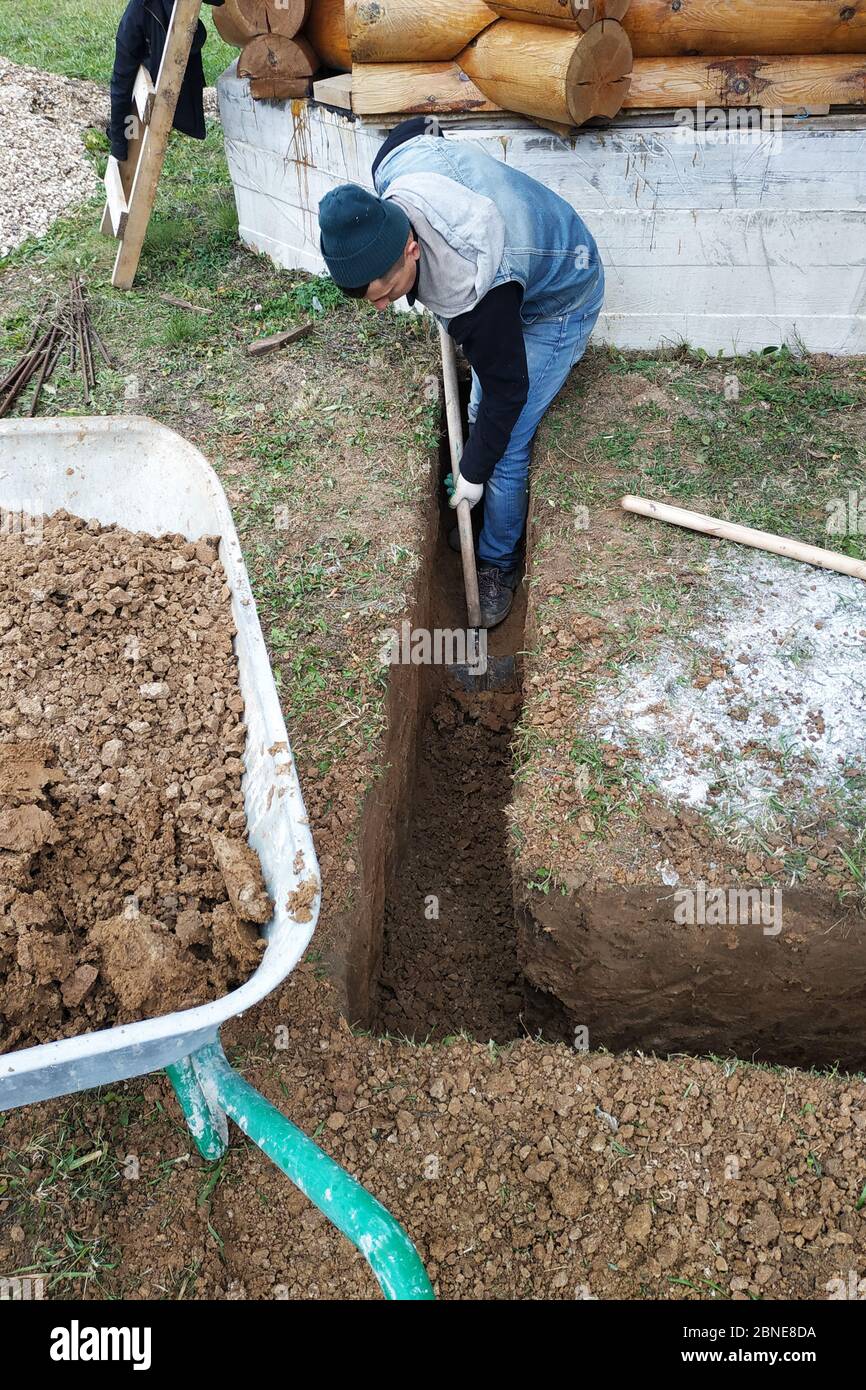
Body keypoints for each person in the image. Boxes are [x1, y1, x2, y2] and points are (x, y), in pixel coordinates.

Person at [318, 116, 604, 628]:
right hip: (513, 267)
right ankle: (479, 517)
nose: (382, 307)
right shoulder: (394, 173)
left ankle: (496, 561)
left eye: (385, 294)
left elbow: (507, 391)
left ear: (411, 247)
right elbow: (414, 130)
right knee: (478, 412)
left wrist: (471, 474)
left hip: (561, 294)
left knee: (508, 439)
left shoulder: (474, 291)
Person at [109, 0, 224, 164]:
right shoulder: (136, 16)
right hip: (162, 82)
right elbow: (121, 82)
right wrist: (119, 145)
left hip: (181, 80)